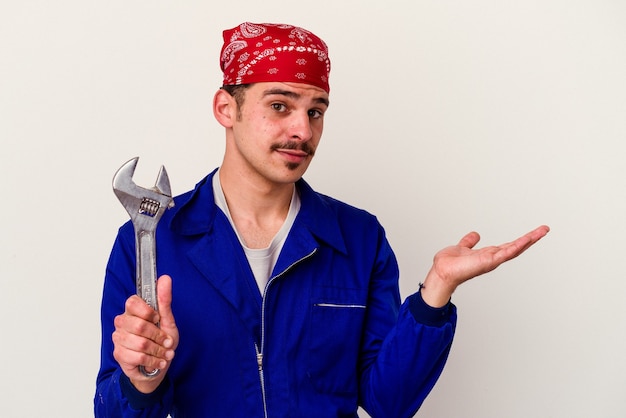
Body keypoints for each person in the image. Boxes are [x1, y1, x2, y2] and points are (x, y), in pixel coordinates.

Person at [94, 22, 549, 417]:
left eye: (316, 111)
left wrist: (435, 295)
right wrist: (143, 381)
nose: (303, 131)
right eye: (280, 106)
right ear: (225, 108)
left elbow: (389, 403)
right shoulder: (149, 239)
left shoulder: (359, 239)